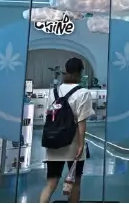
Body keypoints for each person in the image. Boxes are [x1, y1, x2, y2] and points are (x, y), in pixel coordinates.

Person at [40, 57, 93, 204]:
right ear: (80, 73)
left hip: (54, 142)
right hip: (73, 143)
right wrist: (81, 144)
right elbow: (81, 121)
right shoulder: (83, 93)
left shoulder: (54, 91)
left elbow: (48, 115)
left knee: (51, 183)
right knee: (74, 183)